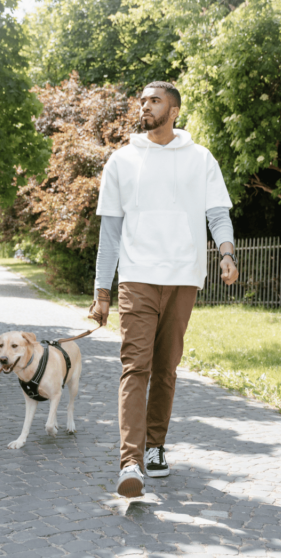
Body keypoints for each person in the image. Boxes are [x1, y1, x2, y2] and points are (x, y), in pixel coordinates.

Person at [88, 81, 239, 498]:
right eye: (142, 100)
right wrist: (103, 291)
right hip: (137, 278)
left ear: (173, 110)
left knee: (166, 368)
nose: (145, 106)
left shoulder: (201, 159)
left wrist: (227, 253)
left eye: (154, 101)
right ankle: (130, 461)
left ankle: (155, 447)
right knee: (135, 366)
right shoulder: (121, 160)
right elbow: (110, 233)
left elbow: (218, 215)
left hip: (184, 276)